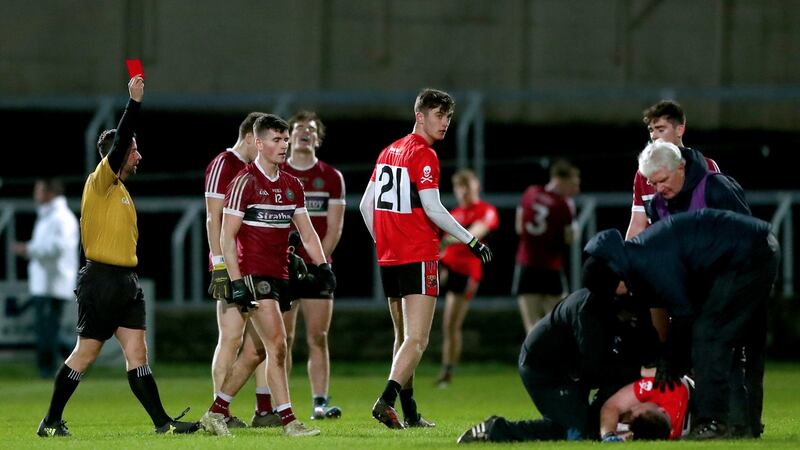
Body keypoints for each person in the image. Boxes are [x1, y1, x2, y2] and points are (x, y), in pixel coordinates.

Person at [36, 76, 199, 437]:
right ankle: (50, 421)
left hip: (126, 282)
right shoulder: (100, 182)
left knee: (138, 354)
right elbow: (122, 139)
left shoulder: (120, 190)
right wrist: (134, 104)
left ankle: (163, 424)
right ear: (118, 153)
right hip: (101, 281)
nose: (139, 155)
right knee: (85, 355)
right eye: (134, 149)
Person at [359, 88, 492, 429]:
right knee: (417, 339)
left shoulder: (389, 150)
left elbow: (364, 206)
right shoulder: (424, 154)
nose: (445, 122)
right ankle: (386, 401)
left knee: (403, 338)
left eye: (448, 117)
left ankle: (411, 413)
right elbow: (433, 208)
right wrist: (471, 239)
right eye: (438, 115)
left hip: (388, 257)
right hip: (418, 254)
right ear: (420, 116)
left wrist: (384, 241)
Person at [584, 209, 780, 440]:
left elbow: (684, 314)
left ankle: (715, 422)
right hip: (755, 248)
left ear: (616, 277)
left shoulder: (648, 261)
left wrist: (669, 360)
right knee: (741, 339)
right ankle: (745, 424)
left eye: (612, 291)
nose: (617, 296)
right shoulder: (639, 254)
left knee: (709, 336)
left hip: (750, 254)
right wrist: (673, 358)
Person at [199, 114, 334, 438]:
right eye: (276, 140)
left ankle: (215, 412)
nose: (283, 145)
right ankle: (288, 420)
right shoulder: (243, 182)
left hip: (281, 275)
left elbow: (307, 232)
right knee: (278, 343)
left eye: (285, 140)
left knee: (254, 351)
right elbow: (227, 236)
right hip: (252, 275)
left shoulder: (291, 185)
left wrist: (323, 266)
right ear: (258, 143)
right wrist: (234, 281)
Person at [456, 284, 660, 443]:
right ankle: (495, 430)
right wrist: (641, 371)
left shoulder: (627, 304)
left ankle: (601, 426)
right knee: (576, 431)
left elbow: (643, 349)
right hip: (545, 371)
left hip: (575, 371)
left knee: (593, 424)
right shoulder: (588, 310)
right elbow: (595, 367)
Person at [204, 112, 281, 428]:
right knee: (232, 338)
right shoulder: (224, 163)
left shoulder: (257, 170)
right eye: (262, 140)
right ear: (250, 137)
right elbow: (213, 218)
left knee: (262, 342)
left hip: (256, 266)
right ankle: (220, 413)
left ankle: (264, 411)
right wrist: (219, 264)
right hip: (231, 267)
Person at [280, 111, 345, 420]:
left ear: (318, 139)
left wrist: (319, 265)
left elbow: (334, 230)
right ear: (289, 137)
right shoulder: (275, 172)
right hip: (282, 268)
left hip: (318, 268)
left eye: (311, 129)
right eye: (299, 128)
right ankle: (280, 405)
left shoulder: (331, 177)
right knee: (283, 339)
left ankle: (319, 403)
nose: (305, 132)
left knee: (317, 337)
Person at [435, 168, 499, 387]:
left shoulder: (486, 210)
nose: (463, 192)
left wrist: (448, 240)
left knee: (451, 324)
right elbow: (443, 246)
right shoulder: (455, 213)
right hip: (448, 269)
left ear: (476, 187)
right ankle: (444, 371)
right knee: (446, 324)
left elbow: (475, 233)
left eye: (467, 186)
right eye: (459, 187)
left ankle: (447, 372)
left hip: (467, 271)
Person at [625, 100, 721, 240]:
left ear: (679, 130)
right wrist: (625, 257)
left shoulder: (707, 166)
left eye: (661, 129)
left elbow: (723, 218)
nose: (654, 136)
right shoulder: (643, 173)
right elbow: (638, 224)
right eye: (651, 130)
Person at [13, 177, 79, 379]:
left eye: (39, 190)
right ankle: (73, 359)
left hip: (54, 282)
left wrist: (29, 249)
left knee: (47, 331)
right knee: (48, 330)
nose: (35, 194)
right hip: (45, 283)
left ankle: (51, 369)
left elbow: (57, 248)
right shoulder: (48, 216)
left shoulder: (61, 217)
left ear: (50, 193)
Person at [513, 159, 580, 333]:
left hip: (526, 264)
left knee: (531, 326)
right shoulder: (564, 205)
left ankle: (533, 360)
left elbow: (519, 227)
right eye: (573, 183)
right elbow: (568, 238)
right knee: (559, 323)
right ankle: (556, 360)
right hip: (550, 267)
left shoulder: (530, 192)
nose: (575, 189)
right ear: (561, 180)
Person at [599, 374, 692, 441]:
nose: (634, 407)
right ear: (662, 410)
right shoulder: (666, 388)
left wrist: (608, 436)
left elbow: (611, 406)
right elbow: (612, 406)